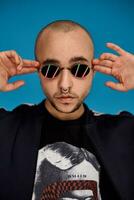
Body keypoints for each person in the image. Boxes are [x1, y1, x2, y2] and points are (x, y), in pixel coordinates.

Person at [0, 20, 134, 200]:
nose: (65, 85)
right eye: (50, 69)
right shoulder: (6, 130)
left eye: (79, 69)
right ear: (38, 72)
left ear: (93, 71)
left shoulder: (124, 134)